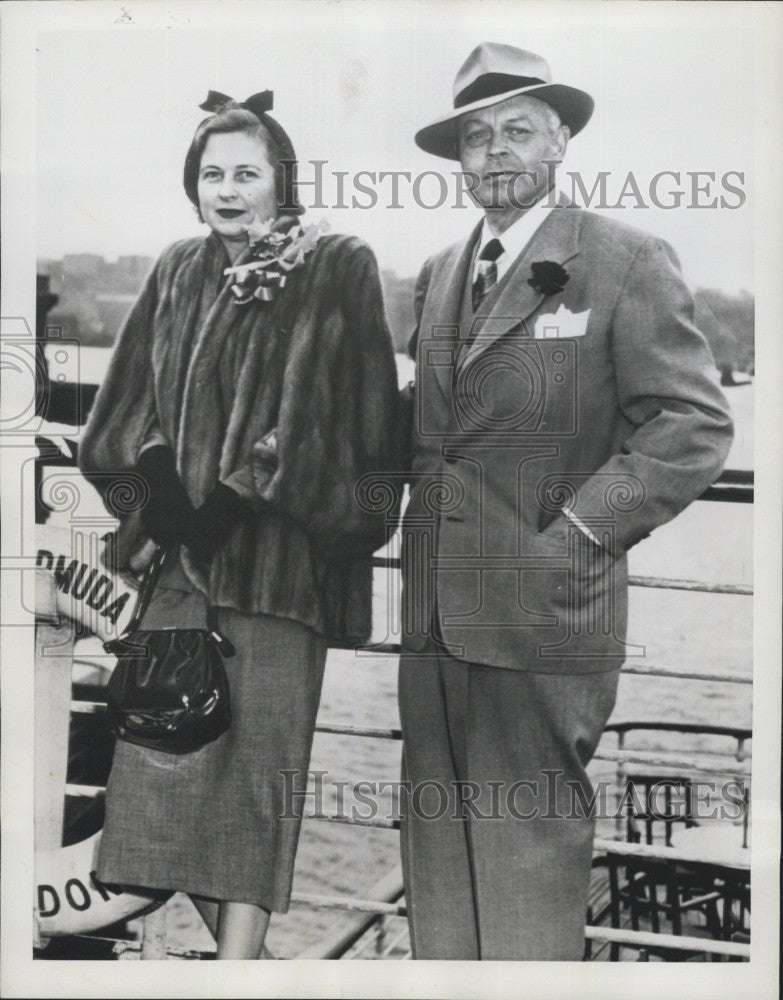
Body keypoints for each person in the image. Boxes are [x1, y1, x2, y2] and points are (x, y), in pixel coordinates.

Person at [398, 43, 733, 959]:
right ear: (457, 161)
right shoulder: (435, 274)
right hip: (433, 621)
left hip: (546, 620)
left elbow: (690, 423)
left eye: (516, 131)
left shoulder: (622, 260)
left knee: (527, 868)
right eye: (476, 137)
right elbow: (417, 426)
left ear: (559, 142)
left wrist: (577, 534)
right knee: (440, 867)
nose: (495, 152)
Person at [78, 90, 400, 959]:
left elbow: (348, 418)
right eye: (211, 173)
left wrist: (232, 496)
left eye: (245, 173)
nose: (227, 190)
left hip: (278, 566)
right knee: (162, 775)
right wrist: (161, 485)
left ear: (279, 181)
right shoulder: (180, 266)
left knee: (255, 777)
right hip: (180, 567)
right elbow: (124, 408)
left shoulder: (337, 262)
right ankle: (252, 969)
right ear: (194, 186)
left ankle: (234, 971)